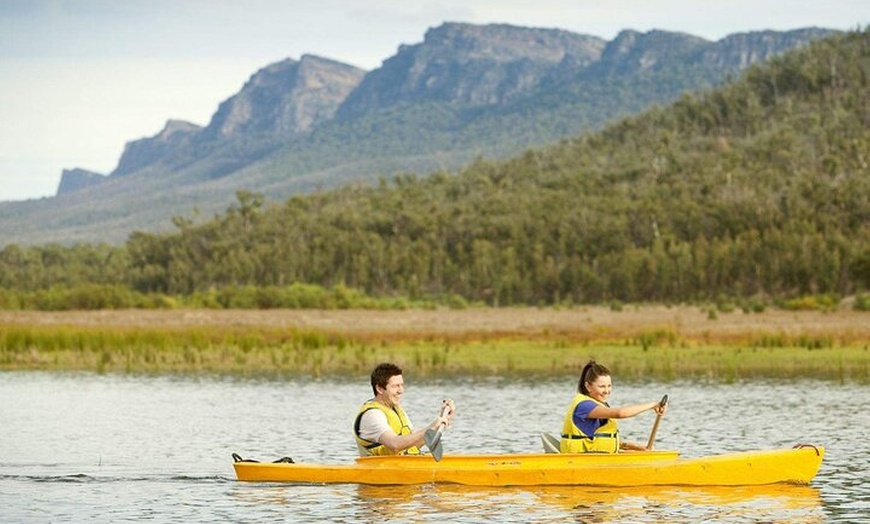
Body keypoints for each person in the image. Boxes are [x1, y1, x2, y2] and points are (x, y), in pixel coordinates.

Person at [560, 360, 667, 453]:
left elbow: (598, 438)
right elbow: (620, 413)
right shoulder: (584, 406)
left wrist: (632, 446)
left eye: (609, 386)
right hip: (581, 460)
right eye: (601, 386)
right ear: (588, 386)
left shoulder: (597, 403)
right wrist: (652, 405)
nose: (606, 391)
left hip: (597, 457)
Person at [354, 362, 456, 456]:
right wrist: (430, 427)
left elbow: (413, 445)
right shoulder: (372, 415)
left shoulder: (396, 410)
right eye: (395, 386)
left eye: (401, 385)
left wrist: (442, 419)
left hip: (399, 467)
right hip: (378, 471)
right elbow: (395, 445)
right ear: (379, 389)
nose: (401, 390)